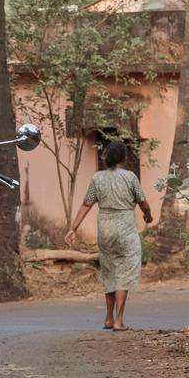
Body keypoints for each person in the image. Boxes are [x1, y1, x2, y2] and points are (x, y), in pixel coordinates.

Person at [66, 139, 153, 330]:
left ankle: (107, 317)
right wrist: (148, 214)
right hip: (125, 230)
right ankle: (118, 320)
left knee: (109, 271)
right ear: (123, 157)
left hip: (105, 230)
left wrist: (73, 228)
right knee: (123, 273)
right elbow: (143, 202)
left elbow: (86, 205)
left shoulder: (98, 178)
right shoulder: (130, 177)